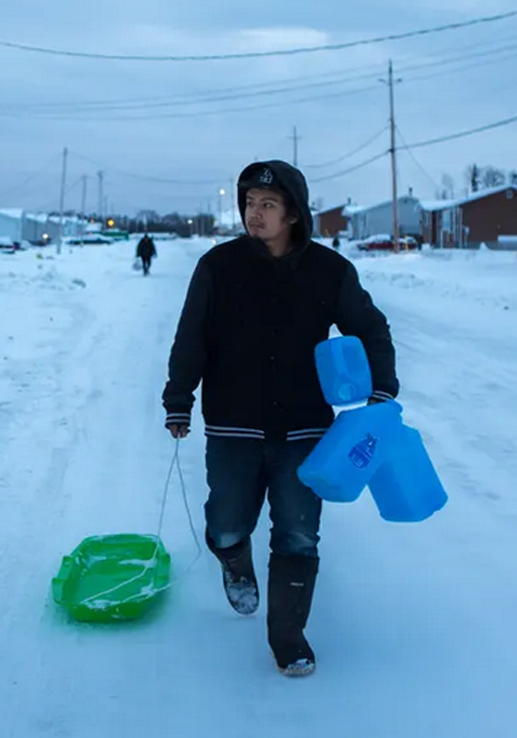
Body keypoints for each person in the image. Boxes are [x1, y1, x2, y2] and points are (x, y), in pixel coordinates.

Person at [161, 159, 398, 677]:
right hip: (233, 427)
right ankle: (235, 564)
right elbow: (191, 337)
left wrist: (382, 389)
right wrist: (179, 397)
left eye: (267, 205)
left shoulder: (329, 271)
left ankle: (288, 638)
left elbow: (370, 327)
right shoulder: (218, 266)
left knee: (297, 535)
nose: (255, 214)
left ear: (293, 213)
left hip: (304, 430)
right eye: (249, 203)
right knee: (226, 527)